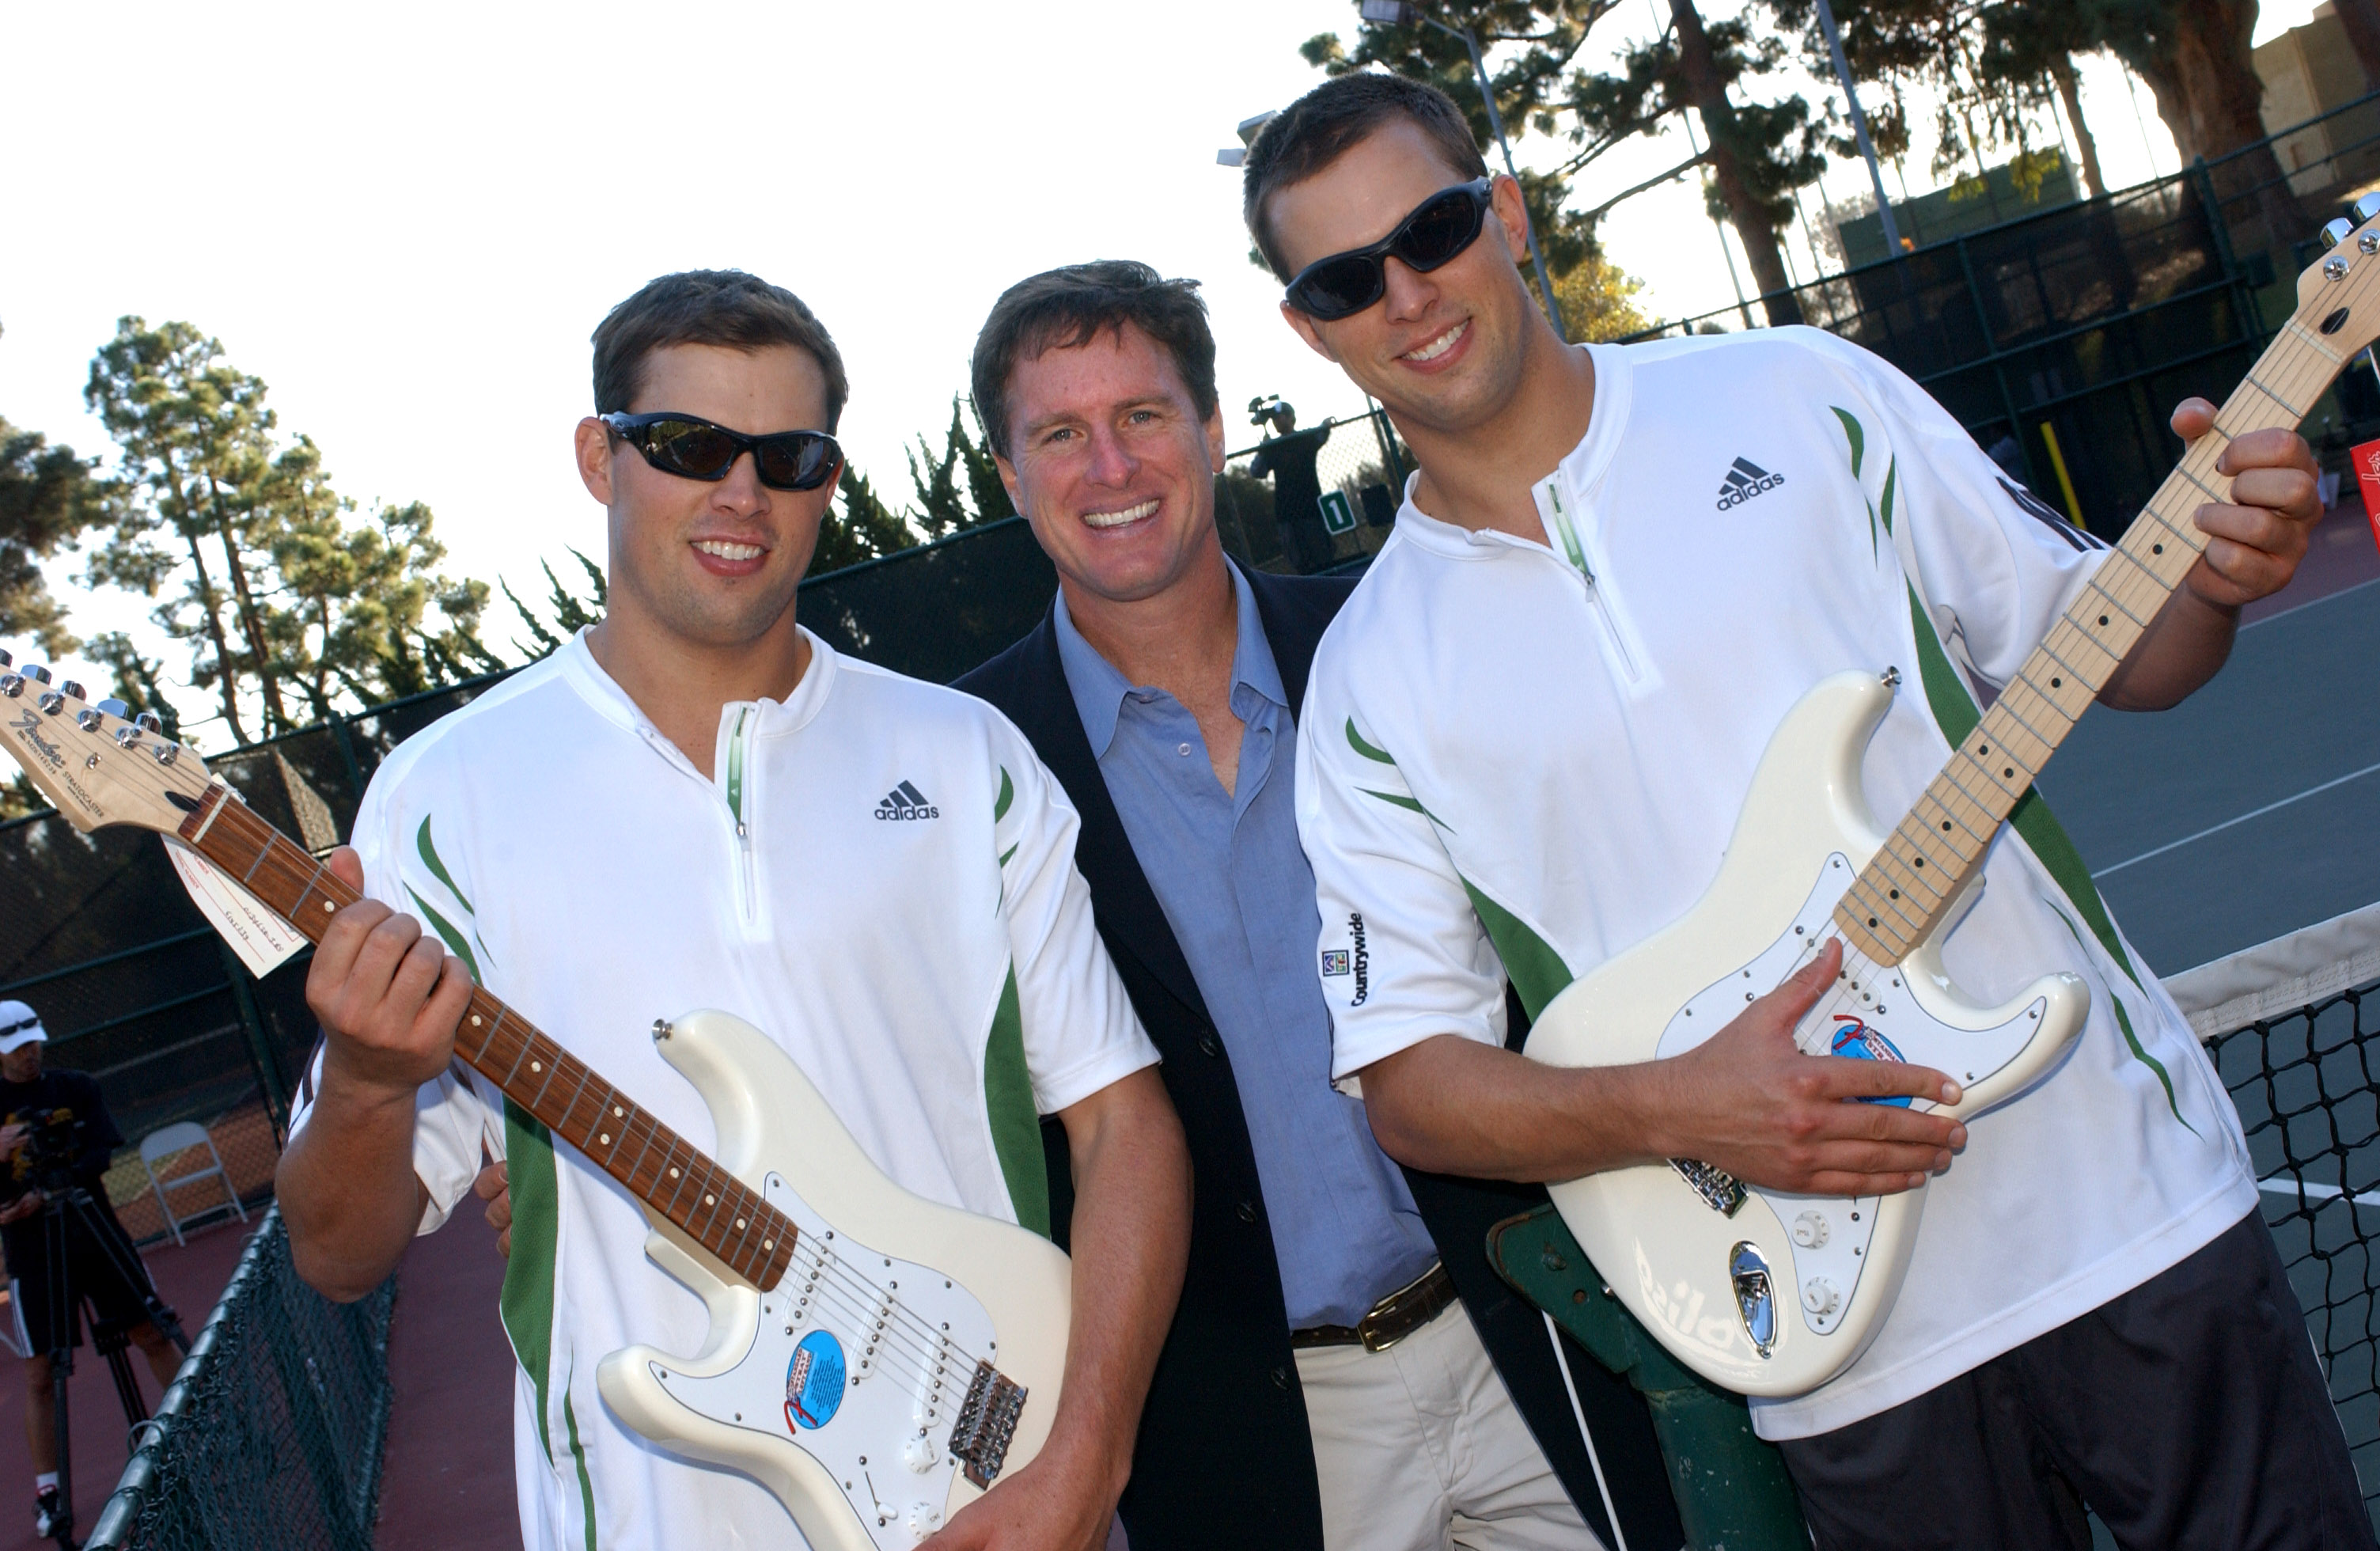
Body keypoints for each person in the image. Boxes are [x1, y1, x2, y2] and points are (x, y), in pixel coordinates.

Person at [1243, 71, 2365, 1548]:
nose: (1406, 291)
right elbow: (1407, 1080)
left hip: (2123, 1217)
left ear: (1504, 213)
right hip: (1832, 1353)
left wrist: (2215, 574)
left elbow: (2114, 646)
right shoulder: (1371, 682)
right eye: (1343, 277)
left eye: (1435, 227)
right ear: (1307, 328)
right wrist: (1676, 1109)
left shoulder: (1799, 396)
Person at [275, 270, 1192, 1551]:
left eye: (788, 455)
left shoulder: (963, 755)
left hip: (1004, 1499)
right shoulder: (445, 795)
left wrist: (1084, 1465)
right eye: (690, 445)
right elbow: (334, 1253)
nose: (740, 492)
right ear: (601, 458)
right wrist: (373, 1086)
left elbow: (1123, 1129)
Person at [953, 261, 1675, 1551]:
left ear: (1212, 429)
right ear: (1007, 476)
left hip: (1534, 1326)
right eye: (1059, 434)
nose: (1109, 465)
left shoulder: (1387, 641)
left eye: (1143, 416)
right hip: (1250, 1429)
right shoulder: (966, 768)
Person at [0, 1001, 181, 1541]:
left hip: (96, 1233)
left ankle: (194, 1425)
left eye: (33, 1042)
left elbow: (102, 1151)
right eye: (16, 1047)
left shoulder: (76, 1086)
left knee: (150, 1330)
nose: (29, 1054)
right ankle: (48, 1490)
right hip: (33, 1255)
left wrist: (63, 1179)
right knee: (40, 1373)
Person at [1248, 399, 1336, 572]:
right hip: (1287, 514)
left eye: (1279, 417)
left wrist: (1326, 424)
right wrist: (1264, 449)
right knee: (1300, 564)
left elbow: (1320, 433)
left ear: (1290, 418)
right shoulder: (1274, 447)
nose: (1275, 422)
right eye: (1273, 419)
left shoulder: (1302, 440)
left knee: (1322, 559)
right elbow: (1257, 471)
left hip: (1310, 510)